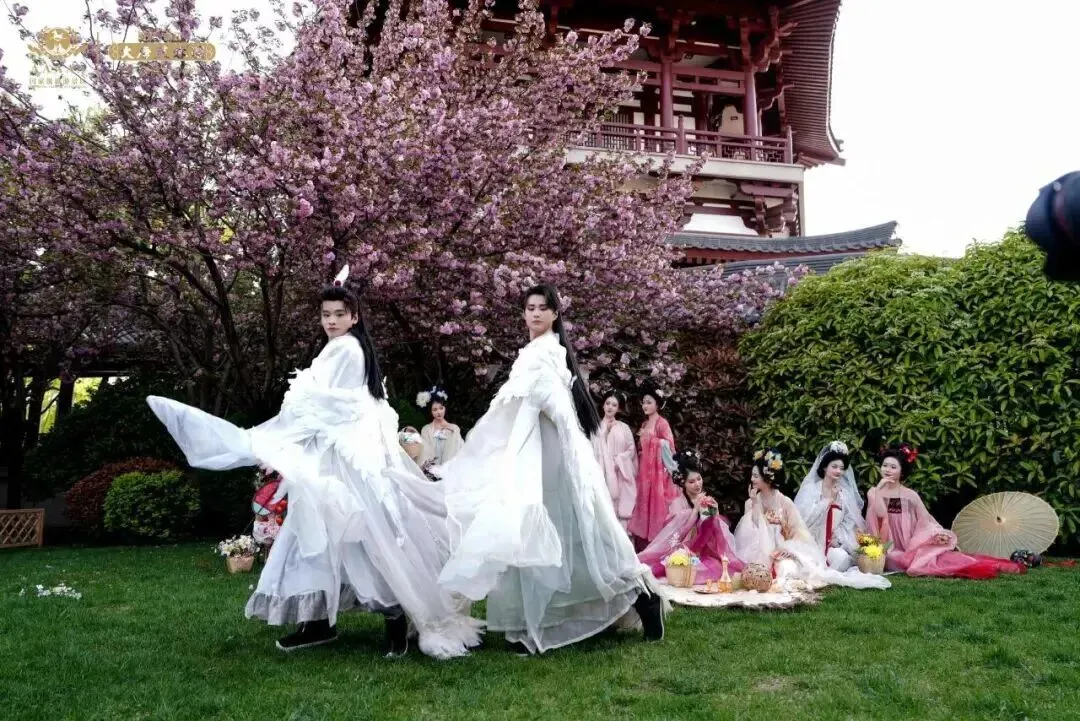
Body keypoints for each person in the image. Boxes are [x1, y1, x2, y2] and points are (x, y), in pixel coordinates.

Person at [146, 266, 482, 659]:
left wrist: (276, 439)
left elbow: (320, 406)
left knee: (354, 538)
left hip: (342, 464)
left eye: (339, 314)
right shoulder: (349, 349)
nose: (331, 321)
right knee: (339, 537)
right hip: (340, 460)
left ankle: (379, 619)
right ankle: (328, 621)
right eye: (326, 315)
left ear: (354, 316)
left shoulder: (345, 350)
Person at [436, 284, 667, 655]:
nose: (536, 313)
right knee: (541, 538)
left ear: (555, 314)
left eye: (543, 307)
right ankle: (532, 623)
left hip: (554, 460)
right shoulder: (534, 352)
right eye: (530, 307)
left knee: (584, 536)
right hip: (536, 459)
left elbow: (552, 405)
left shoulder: (545, 352)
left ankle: (642, 598)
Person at [734, 449, 889, 590]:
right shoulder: (750, 502)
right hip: (760, 551)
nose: (752, 479)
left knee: (788, 569)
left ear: (768, 477)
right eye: (753, 475)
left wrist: (788, 549)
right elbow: (752, 531)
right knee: (757, 572)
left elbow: (798, 530)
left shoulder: (784, 502)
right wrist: (755, 503)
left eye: (756, 476)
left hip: (783, 550)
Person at [866, 443, 1025, 579]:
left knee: (917, 561)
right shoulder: (873, 492)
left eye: (893, 467)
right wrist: (879, 489)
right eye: (885, 465)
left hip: (908, 543)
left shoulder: (909, 495)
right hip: (886, 543)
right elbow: (881, 515)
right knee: (892, 559)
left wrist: (935, 534)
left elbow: (925, 519)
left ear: (902, 472)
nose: (887, 470)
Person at [638, 449, 744, 582]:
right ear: (683, 483)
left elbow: (718, 535)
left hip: (705, 554)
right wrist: (694, 511)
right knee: (681, 568)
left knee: (716, 569)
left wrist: (715, 514)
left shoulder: (707, 500)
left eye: (699, 479)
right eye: (692, 482)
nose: (697, 484)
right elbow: (676, 535)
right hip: (682, 552)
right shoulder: (678, 503)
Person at [793, 441, 866, 571]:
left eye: (842, 468)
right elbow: (804, 520)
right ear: (825, 467)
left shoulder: (844, 494)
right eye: (834, 466)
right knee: (806, 563)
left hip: (833, 543)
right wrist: (828, 500)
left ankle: (826, 570)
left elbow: (849, 522)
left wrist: (836, 538)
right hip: (811, 541)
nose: (838, 471)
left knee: (842, 558)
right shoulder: (811, 490)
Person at [627, 385, 679, 546]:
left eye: (649, 402)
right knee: (644, 503)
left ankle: (657, 543)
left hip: (658, 474)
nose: (645, 405)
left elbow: (669, 447)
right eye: (644, 402)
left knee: (658, 506)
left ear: (657, 404)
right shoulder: (644, 424)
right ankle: (643, 543)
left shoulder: (662, 423)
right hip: (645, 472)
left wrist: (651, 440)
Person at [591, 390, 638, 531]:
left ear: (619, 409)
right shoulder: (596, 427)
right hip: (602, 472)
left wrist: (619, 460)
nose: (610, 407)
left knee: (620, 509)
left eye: (614, 405)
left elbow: (631, 449)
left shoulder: (624, 428)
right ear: (603, 405)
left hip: (620, 472)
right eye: (608, 403)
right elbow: (592, 450)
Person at [417, 386, 464, 471]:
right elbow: (424, 453)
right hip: (431, 470)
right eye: (435, 410)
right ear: (430, 412)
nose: (439, 412)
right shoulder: (426, 429)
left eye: (441, 408)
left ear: (445, 408)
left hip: (450, 470)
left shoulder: (454, 428)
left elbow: (459, 451)